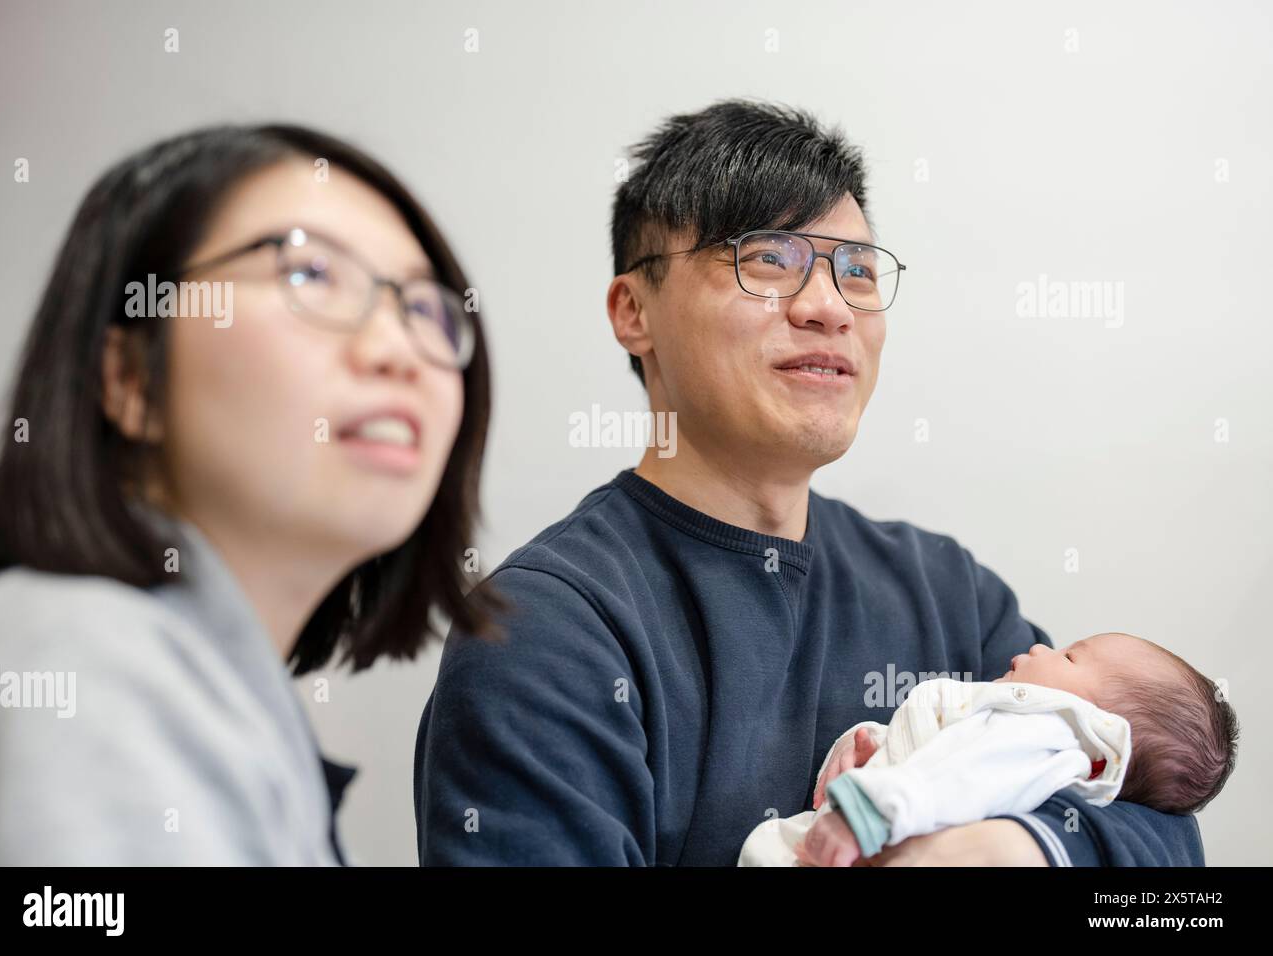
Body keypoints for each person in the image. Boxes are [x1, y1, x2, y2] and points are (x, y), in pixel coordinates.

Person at [414, 99, 1205, 866]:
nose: (829, 307)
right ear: (634, 310)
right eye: (768, 260)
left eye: (857, 271)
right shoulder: (548, 630)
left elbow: (1163, 824)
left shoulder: (948, 593)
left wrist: (1010, 848)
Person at [0, 124, 500, 864]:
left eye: (424, 310)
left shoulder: (201, 683)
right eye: (309, 274)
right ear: (129, 378)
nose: (397, 350)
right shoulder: (81, 663)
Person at [739, 632, 1238, 866]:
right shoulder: (1018, 727)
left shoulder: (1048, 732)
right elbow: (949, 761)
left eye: (1069, 655)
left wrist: (867, 812)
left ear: (1101, 727)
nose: (1041, 648)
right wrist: (876, 752)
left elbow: (964, 776)